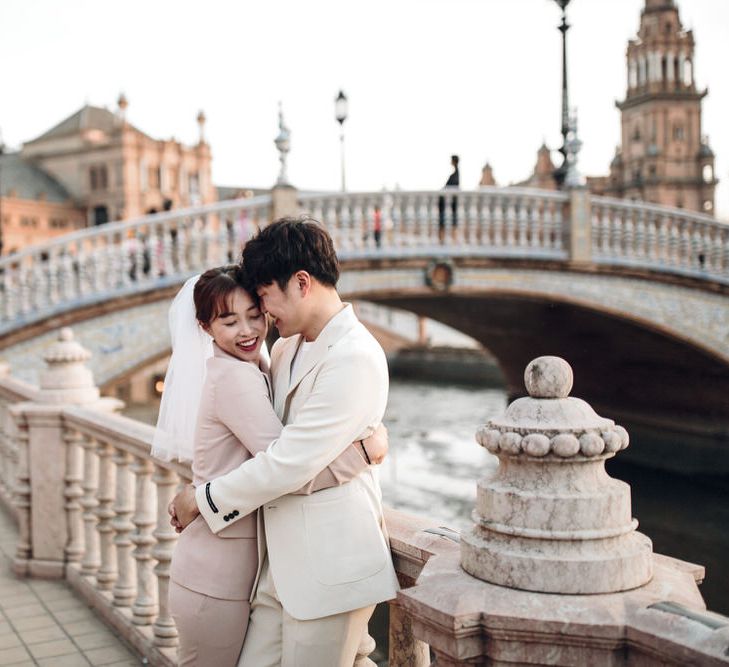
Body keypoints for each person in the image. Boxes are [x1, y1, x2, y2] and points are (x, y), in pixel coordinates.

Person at [170, 217, 400, 667]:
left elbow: (288, 464)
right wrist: (366, 452)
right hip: (276, 570)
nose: (262, 312)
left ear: (300, 283)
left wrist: (202, 499)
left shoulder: (355, 357)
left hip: (329, 570)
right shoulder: (283, 350)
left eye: (264, 298)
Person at [438, 154, 460, 242]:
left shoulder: (455, 175)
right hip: (449, 203)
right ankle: (444, 241)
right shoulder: (455, 174)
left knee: (445, 222)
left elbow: (449, 187)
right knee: (448, 222)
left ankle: (443, 242)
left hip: (450, 203)